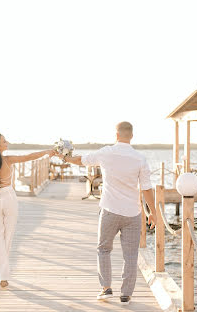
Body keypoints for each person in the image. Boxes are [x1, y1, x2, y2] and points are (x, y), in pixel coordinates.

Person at [58, 122, 156, 305]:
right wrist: (153, 212)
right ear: (131, 136)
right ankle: (126, 294)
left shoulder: (106, 152)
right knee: (131, 255)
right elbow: (147, 188)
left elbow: (82, 160)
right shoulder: (140, 158)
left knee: (103, 249)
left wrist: (65, 157)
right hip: (132, 213)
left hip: (110, 210)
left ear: (116, 135)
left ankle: (106, 288)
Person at [0, 132, 56, 288]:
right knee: (7, 237)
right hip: (9, 198)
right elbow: (29, 156)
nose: (7, 142)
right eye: (5, 141)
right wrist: (46, 151)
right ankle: (3, 276)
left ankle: (1, 276)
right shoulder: (7, 160)